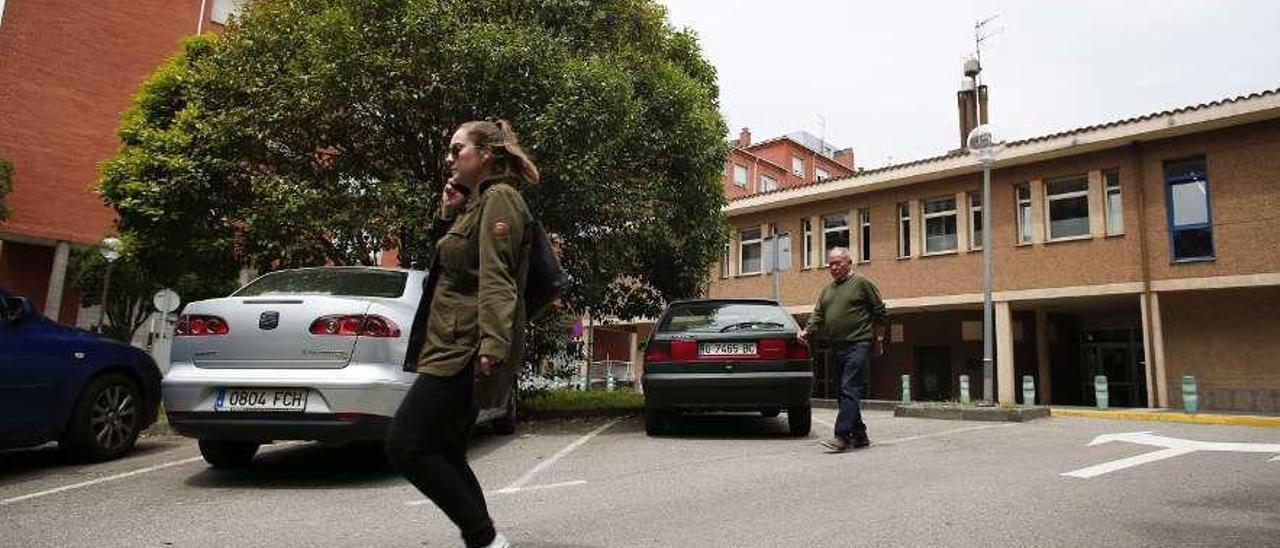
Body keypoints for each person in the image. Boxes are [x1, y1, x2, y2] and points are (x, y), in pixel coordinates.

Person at [386, 118, 539, 548]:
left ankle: (485, 538)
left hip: (466, 347)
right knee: (447, 450)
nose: (450, 158)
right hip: (448, 342)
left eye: (458, 150)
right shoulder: (473, 205)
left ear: (484, 155)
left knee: (406, 444)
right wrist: (447, 214)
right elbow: (452, 268)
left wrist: (492, 346)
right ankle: (484, 540)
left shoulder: (501, 199)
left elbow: (498, 278)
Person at [798, 246, 888, 452]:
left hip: (858, 344)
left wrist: (879, 339)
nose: (834, 267)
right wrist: (807, 331)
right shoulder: (828, 290)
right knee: (842, 393)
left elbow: (880, 311)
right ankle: (860, 435)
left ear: (849, 263)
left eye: (838, 263)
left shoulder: (862, 283)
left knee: (849, 389)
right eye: (830, 264)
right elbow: (818, 314)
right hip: (836, 346)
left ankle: (842, 437)